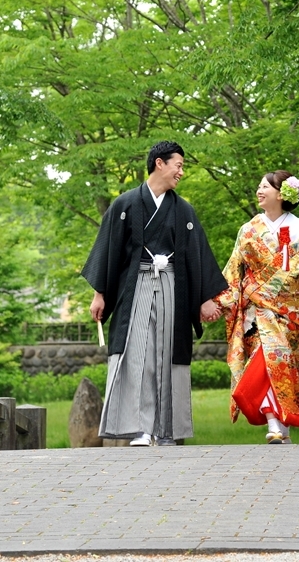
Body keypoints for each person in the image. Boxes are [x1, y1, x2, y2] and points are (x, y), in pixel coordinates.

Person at [82, 141, 226, 447]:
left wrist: (205, 297)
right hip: (136, 286)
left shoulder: (183, 209)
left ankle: (167, 429)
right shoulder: (125, 204)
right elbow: (108, 251)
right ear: (159, 163)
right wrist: (99, 294)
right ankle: (140, 429)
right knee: (139, 354)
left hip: (173, 286)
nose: (181, 172)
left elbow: (197, 255)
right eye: (179, 165)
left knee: (167, 354)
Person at [212, 170, 299, 444]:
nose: (259, 191)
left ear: (282, 194)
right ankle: (273, 423)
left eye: (264, 187)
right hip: (258, 311)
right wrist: (218, 300)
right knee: (267, 362)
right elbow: (235, 268)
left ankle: (284, 427)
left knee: (290, 369)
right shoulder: (248, 230)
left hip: (295, 312)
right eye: (258, 186)